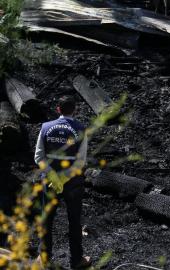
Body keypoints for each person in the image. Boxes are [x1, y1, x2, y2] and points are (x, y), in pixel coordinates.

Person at [34, 95, 91, 269]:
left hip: (50, 182)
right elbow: (81, 162)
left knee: (47, 221)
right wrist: (64, 178)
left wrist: (54, 177)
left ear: (58, 109)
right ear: (75, 110)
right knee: (74, 221)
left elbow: (38, 157)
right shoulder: (81, 129)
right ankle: (76, 261)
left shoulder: (45, 127)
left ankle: (44, 258)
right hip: (73, 183)